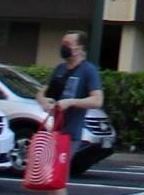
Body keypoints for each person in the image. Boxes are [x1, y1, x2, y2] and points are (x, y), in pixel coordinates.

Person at [40, 29, 110, 176]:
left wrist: (71, 102)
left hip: (71, 134)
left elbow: (97, 100)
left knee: (56, 175)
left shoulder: (88, 71)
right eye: (63, 43)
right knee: (51, 176)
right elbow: (42, 93)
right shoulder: (60, 69)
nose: (63, 47)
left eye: (68, 44)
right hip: (54, 131)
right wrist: (45, 101)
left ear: (79, 48)